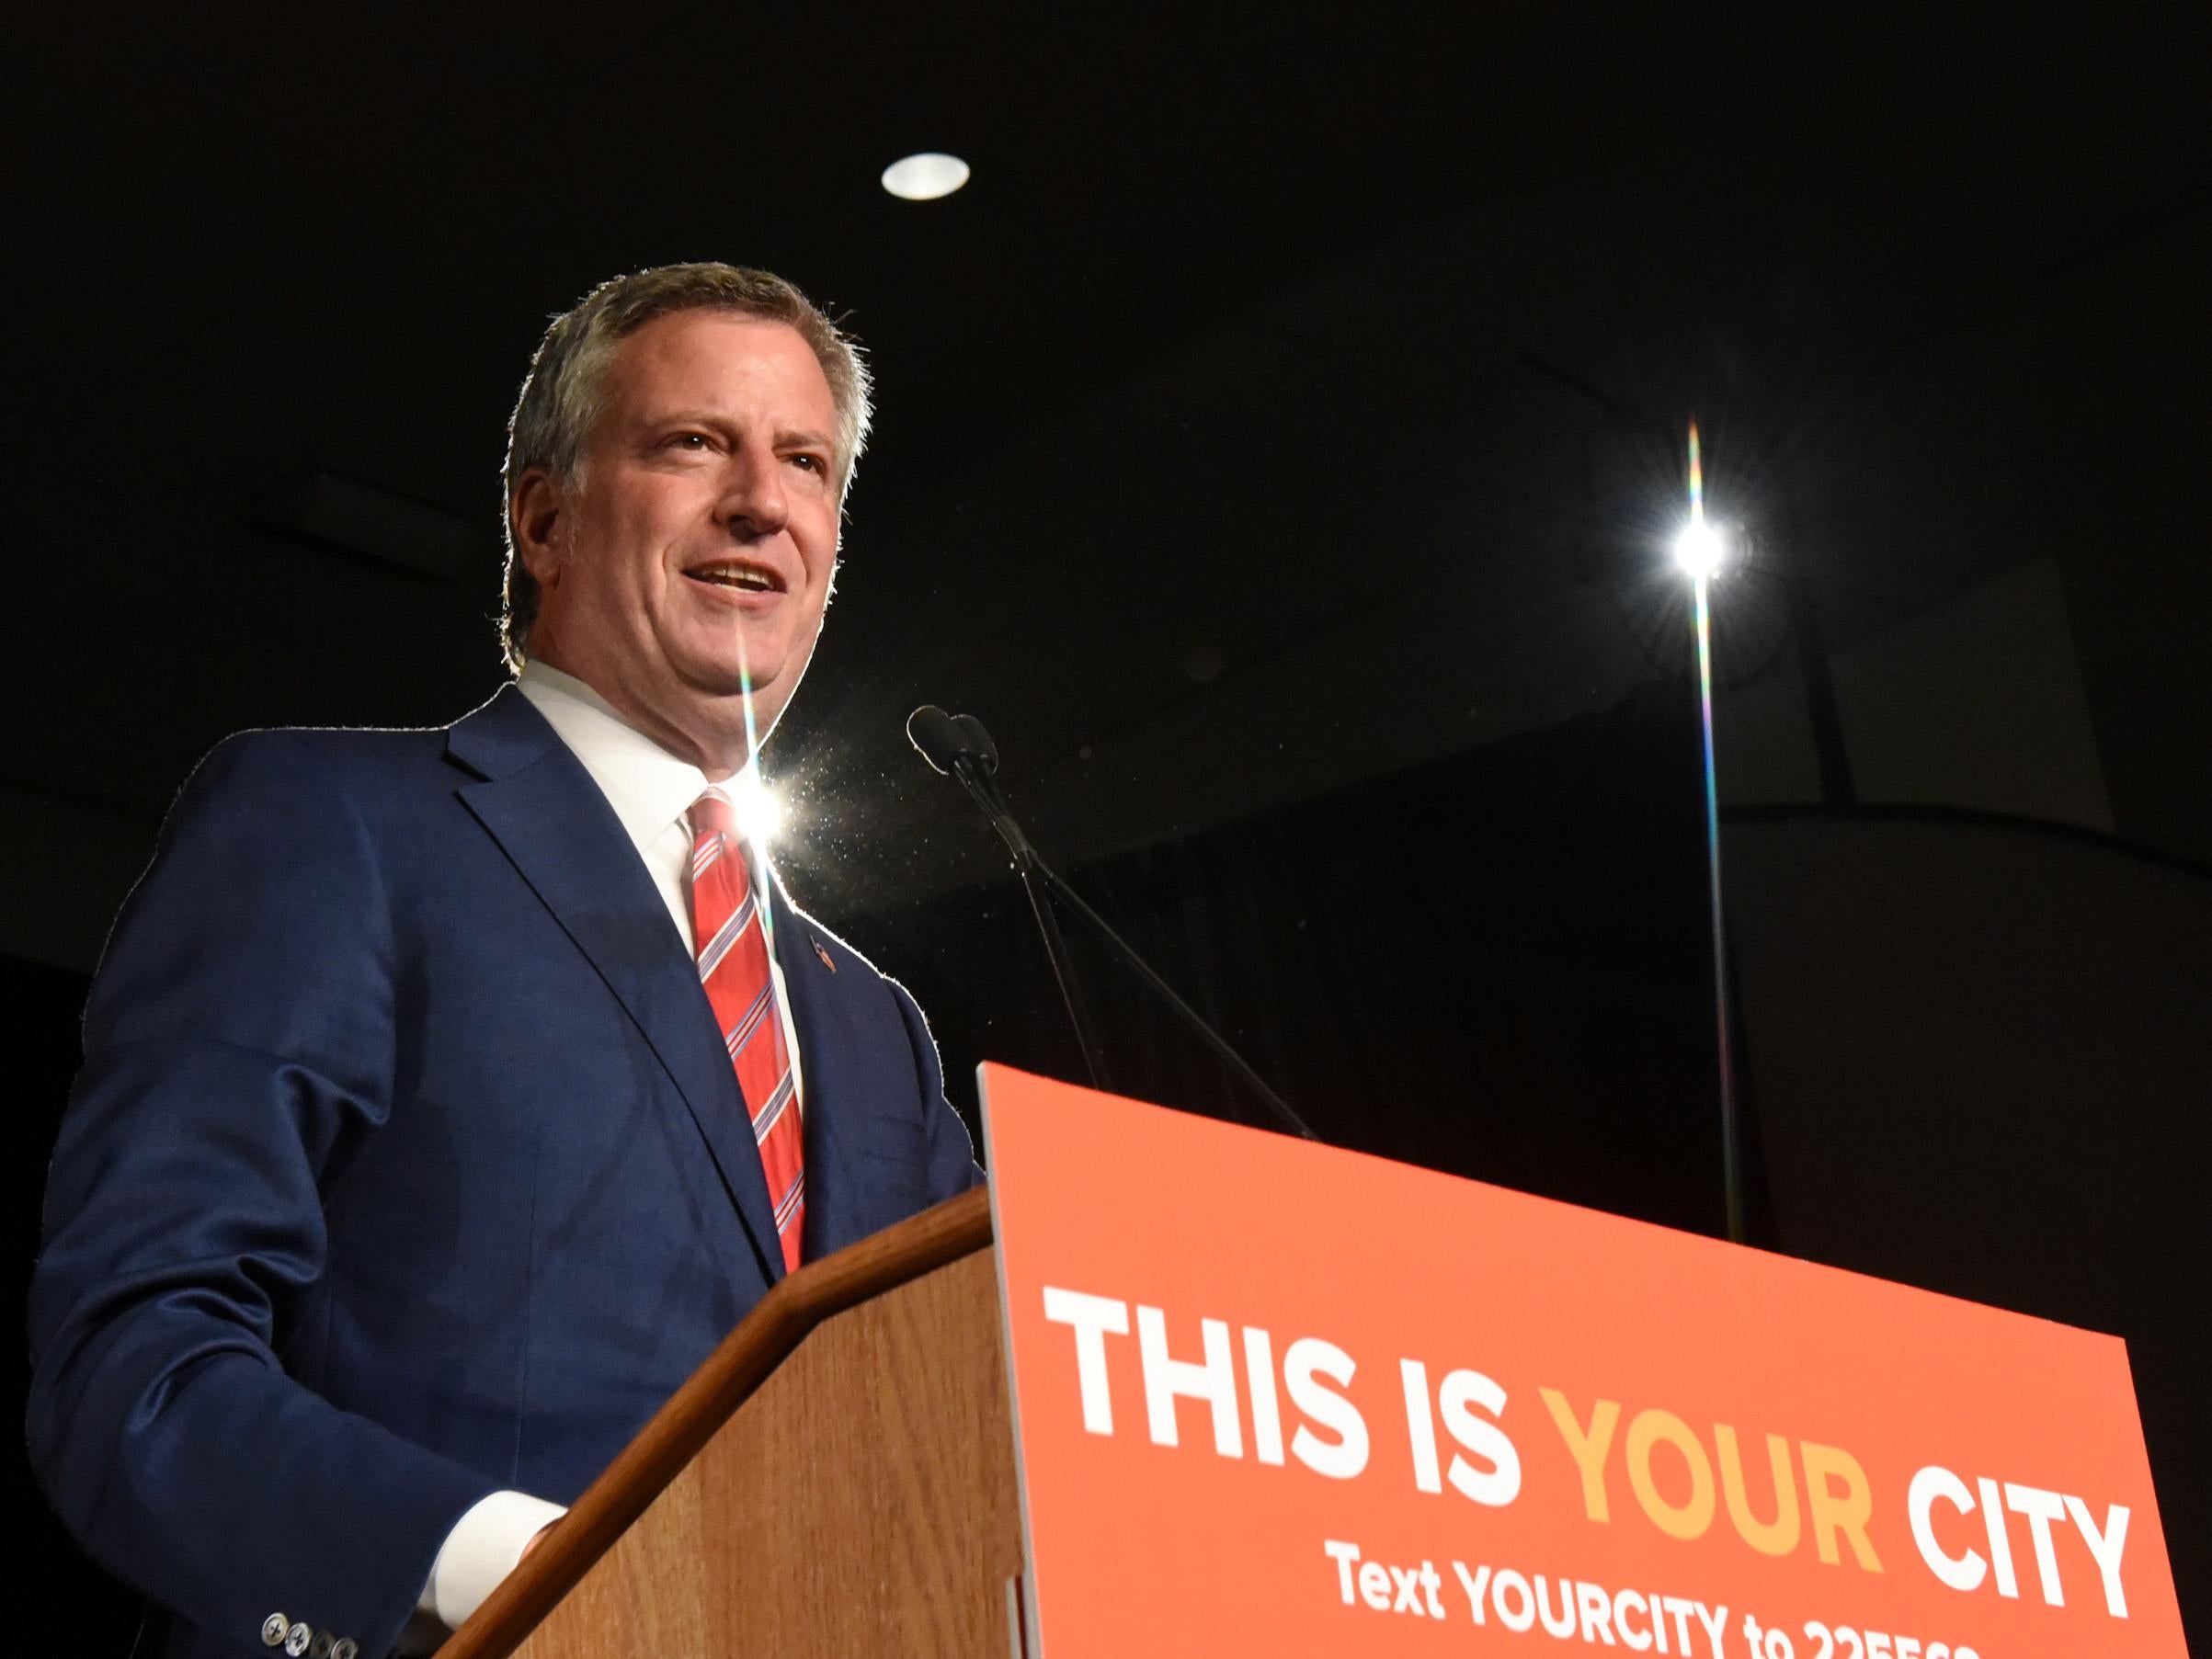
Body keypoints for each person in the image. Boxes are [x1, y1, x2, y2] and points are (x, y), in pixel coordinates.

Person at [26, 264, 982, 1659]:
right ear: (542, 517)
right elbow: (136, 1359)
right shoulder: (328, 826)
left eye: (805, 462)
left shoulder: (872, 1028)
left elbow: (964, 1429)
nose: (760, 502)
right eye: (692, 442)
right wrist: (534, 1567)